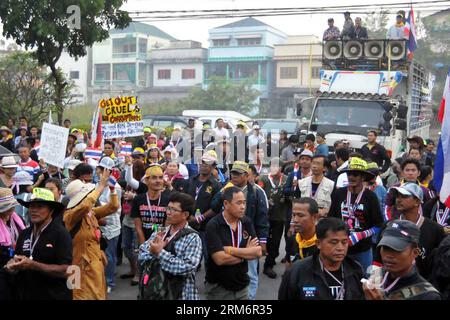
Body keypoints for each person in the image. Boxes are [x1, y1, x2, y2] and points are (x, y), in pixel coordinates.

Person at [210, 161, 269, 300]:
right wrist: (222, 192)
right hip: (228, 234)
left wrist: (263, 241)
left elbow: (262, 218)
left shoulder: (256, 191)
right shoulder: (226, 188)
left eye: (238, 174)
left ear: (247, 175)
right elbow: (214, 206)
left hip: (249, 236)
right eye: (233, 173)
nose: (234, 176)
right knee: (230, 268)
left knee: (252, 273)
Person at [5, 188, 72, 300]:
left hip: (54, 296)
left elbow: (69, 271)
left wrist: (33, 265)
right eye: (32, 206)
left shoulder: (61, 234)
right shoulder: (25, 233)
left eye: (40, 206)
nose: (34, 210)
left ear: (51, 210)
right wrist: (13, 266)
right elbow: (16, 258)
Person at [63, 169, 119, 300]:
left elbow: (113, 207)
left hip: (95, 266)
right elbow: (85, 206)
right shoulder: (69, 216)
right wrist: (100, 186)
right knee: (76, 296)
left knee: (98, 296)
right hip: (76, 269)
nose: (90, 196)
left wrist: (112, 188)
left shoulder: (91, 212)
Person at [278, 217, 365, 300]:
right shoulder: (297, 271)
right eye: (333, 242)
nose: (340, 248)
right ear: (318, 243)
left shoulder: (356, 270)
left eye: (344, 242)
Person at [373, 183, 445, 281]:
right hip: (392, 285)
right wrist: (375, 282)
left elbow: (440, 264)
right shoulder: (388, 226)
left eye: (404, 196)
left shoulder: (435, 229)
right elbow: (377, 261)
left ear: (417, 201)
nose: (398, 199)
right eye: (397, 196)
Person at [138, 192, 202, 300]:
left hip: (180, 294)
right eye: (168, 208)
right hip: (156, 291)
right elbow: (141, 254)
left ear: (185, 214)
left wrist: (159, 252)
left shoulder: (192, 238)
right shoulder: (161, 231)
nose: (168, 212)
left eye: (173, 210)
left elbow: (187, 267)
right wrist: (153, 251)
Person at [205, 186, 262, 300]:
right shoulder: (214, 225)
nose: (243, 207)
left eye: (244, 203)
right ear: (226, 204)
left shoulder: (246, 222)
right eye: (239, 203)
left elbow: (258, 252)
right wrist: (246, 254)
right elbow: (220, 259)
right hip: (219, 288)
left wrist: (229, 250)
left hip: (242, 285)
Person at [329, 157, 384, 274]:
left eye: (355, 174)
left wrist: (360, 235)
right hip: (340, 248)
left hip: (363, 250)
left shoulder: (370, 197)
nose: (351, 177)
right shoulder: (339, 193)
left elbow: (379, 225)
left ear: (363, 177)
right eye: (349, 173)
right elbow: (331, 219)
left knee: (364, 281)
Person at [364, 220, 441, 300]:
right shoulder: (375, 277)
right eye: (385, 248)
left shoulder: (428, 296)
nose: (389, 255)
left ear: (415, 252)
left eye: (397, 249)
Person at [187, 151, 222, 266]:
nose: (203, 165)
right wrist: (189, 216)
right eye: (202, 162)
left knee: (208, 256)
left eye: (207, 163)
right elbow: (184, 200)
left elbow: (216, 207)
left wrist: (200, 218)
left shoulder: (216, 185)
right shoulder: (191, 180)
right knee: (189, 256)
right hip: (189, 224)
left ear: (213, 167)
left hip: (206, 226)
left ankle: (209, 280)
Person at [95, 157, 122, 294]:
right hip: (99, 225)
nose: (97, 172)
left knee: (110, 256)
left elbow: (116, 207)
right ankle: (100, 279)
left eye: (99, 169)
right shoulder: (97, 185)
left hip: (111, 226)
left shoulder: (115, 187)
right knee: (100, 254)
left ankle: (109, 281)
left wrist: (100, 207)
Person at [259, 157, 288, 279]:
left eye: (277, 166)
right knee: (265, 239)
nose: (274, 168)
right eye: (272, 166)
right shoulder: (264, 179)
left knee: (275, 241)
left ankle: (270, 261)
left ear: (281, 168)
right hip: (265, 216)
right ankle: (267, 265)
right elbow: (259, 192)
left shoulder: (286, 180)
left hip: (279, 216)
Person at [131, 165, 171, 245]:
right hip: (143, 241)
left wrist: (158, 244)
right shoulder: (138, 199)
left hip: (161, 243)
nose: (158, 181)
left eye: (160, 177)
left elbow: (167, 226)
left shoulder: (168, 199)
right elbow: (138, 227)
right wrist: (144, 246)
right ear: (146, 180)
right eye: (154, 178)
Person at [0, 188, 26, 300]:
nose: (10, 210)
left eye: (11, 206)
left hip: (18, 268)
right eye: (6, 207)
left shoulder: (18, 219)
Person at [285, 198, 320, 267]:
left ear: (315, 217)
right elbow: (289, 266)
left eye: (300, 215)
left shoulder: (323, 243)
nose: (295, 220)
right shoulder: (292, 239)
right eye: (294, 215)